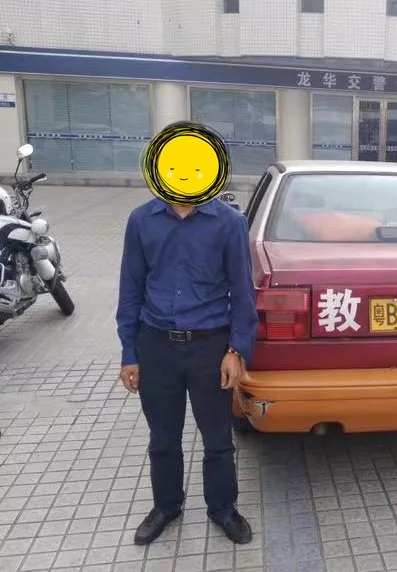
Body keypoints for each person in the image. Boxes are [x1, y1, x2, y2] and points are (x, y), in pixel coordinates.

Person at [116, 122, 258, 546]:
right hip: (156, 345)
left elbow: (243, 292)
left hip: (209, 347)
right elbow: (130, 290)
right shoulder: (141, 221)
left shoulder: (229, 223)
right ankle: (166, 506)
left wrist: (236, 350)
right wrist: (129, 352)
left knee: (217, 437)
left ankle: (223, 508)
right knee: (163, 438)